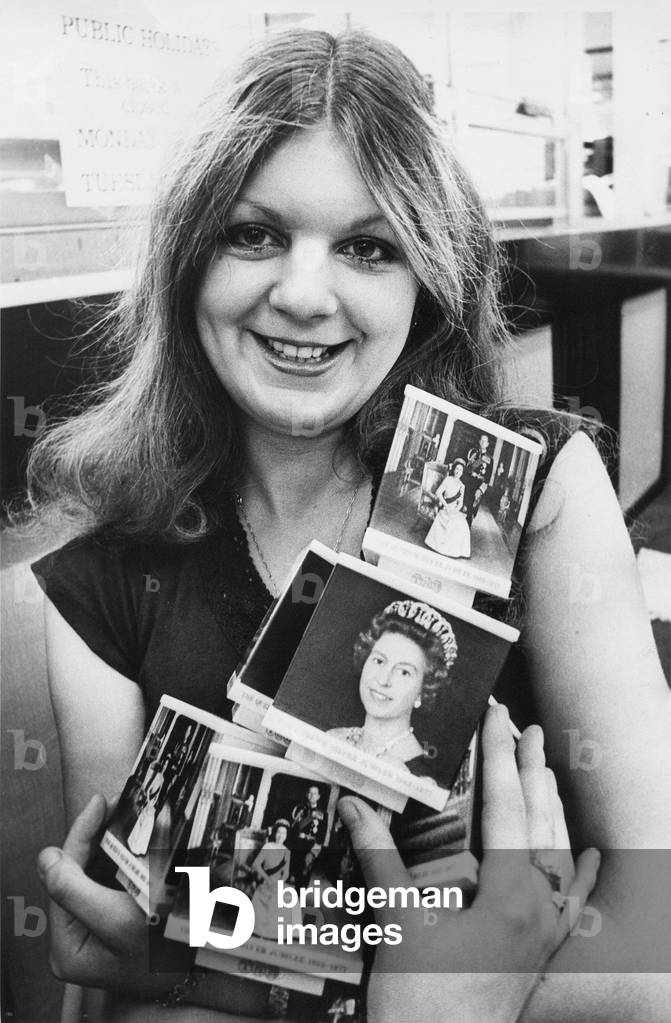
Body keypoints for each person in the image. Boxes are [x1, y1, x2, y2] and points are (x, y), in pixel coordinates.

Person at [22, 26, 669, 1023]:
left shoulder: (528, 485)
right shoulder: (104, 571)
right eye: (254, 233)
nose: (304, 294)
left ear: (428, 277)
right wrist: (437, 987)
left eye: (368, 247)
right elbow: (133, 946)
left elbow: (649, 955)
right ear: (187, 260)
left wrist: (264, 980)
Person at [328, 599, 457, 775]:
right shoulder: (333, 738)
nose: (383, 679)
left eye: (403, 672)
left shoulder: (420, 775)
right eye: (379, 660)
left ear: (424, 689)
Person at [250, 820, 291, 939]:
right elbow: (256, 865)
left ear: (286, 835)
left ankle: (271, 932)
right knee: (264, 895)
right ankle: (258, 930)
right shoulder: (268, 846)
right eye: (279, 832)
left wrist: (280, 883)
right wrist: (268, 879)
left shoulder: (287, 852)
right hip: (264, 881)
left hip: (277, 884)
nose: (280, 836)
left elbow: (286, 873)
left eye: (284, 833)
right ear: (275, 833)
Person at [424, 459, 471, 558]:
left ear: (463, 472)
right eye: (457, 469)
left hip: (454, 510)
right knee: (451, 522)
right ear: (454, 470)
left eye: (460, 470)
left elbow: (460, 503)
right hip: (445, 507)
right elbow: (438, 493)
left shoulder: (462, 486)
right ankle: (441, 547)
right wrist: (446, 506)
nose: (458, 471)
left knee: (463, 524)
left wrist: (455, 511)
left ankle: (455, 551)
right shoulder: (448, 479)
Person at [289, 784, 327, 884]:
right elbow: (293, 827)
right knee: (292, 874)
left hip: (310, 846)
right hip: (297, 845)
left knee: (304, 876)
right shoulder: (299, 809)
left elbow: (322, 835)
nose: (311, 795)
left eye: (314, 793)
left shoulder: (322, 813)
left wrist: (314, 852)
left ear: (318, 796)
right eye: (310, 793)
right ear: (306, 795)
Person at [463, 434, 493, 525]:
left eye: (485, 441)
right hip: (468, 483)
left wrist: (480, 490)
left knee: (471, 511)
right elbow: (466, 468)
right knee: (463, 507)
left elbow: (488, 478)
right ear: (479, 442)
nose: (483, 443)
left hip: (478, 486)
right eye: (482, 440)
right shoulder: (473, 453)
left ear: (487, 444)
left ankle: (467, 529)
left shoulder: (490, 459)